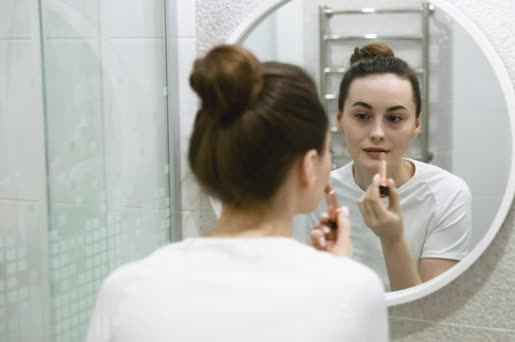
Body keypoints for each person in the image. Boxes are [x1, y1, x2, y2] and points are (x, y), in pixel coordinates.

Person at [86, 45, 388, 342]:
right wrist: (338, 273)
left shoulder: (125, 290)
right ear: (309, 165)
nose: (330, 163)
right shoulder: (354, 291)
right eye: (326, 151)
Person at [295, 42, 472, 292]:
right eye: (362, 116)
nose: (377, 133)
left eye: (395, 118)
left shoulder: (448, 194)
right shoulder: (323, 191)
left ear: (416, 125)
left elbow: (431, 314)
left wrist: (393, 239)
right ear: (340, 120)